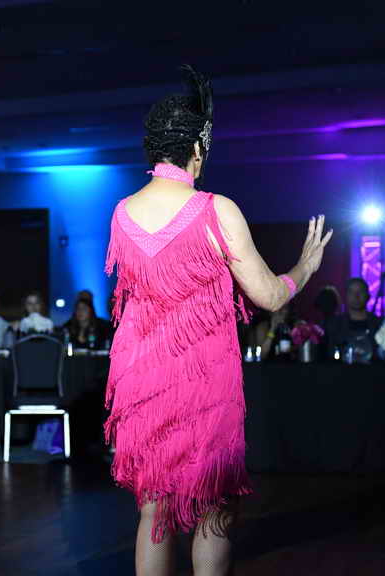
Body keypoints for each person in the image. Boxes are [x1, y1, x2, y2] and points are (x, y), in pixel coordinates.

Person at [104, 66, 332, 576]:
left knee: (154, 509)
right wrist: (305, 267)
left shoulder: (122, 213)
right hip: (204, 383)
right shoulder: (215, 209)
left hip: (144, 382)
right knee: (213, 509)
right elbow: (269, 296)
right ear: (197, 149)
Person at [324, 278, 382, 362]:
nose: (356, 296)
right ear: (346, 296)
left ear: (368, 296)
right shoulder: (334, 325)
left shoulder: (379, 324)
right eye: (351, 292)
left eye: (360, 291)